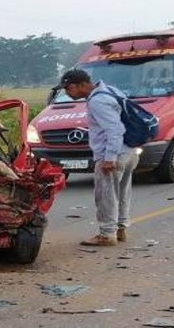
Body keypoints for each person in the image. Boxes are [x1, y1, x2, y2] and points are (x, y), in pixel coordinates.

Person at [58, 69, 140, 246]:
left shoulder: (97, 101)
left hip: (113, 154)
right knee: (122, 192)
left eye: (68, 88)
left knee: (106, 194)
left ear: (79, 85)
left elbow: (115, 129)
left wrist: (109, 157)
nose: (67, 93)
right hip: (128, 150)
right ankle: (121, 229)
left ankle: (106, 234)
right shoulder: (110, 90)